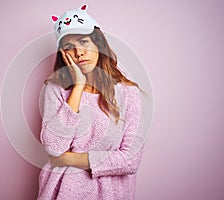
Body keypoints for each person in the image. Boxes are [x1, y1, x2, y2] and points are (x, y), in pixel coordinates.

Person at [37, 4, 145, 200]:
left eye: (84, 42)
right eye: (69, 47)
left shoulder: (127, 92)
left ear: (98, 45)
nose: (79, 53)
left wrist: (68, 159)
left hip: (111, 194)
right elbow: (54, 147)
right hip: (62, 193)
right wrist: (77, 87)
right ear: (63, 54)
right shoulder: (55, 90)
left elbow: (130, 159)